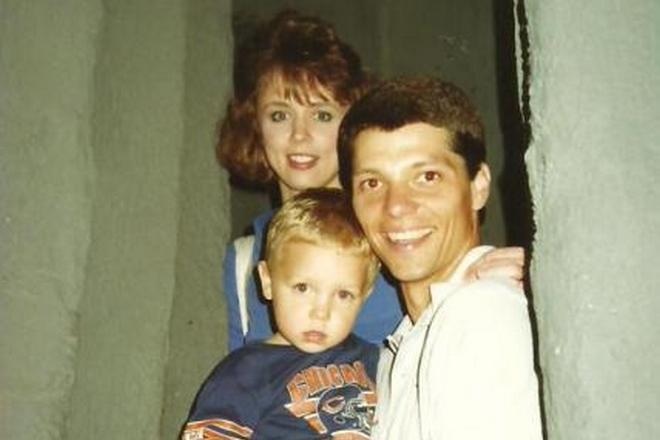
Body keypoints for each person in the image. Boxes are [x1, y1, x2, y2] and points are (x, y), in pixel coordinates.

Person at [218, 9, 525, 351]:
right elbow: (241, 376)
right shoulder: (245, 261)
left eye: (322, 115)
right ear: (254, 124)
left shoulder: (392, 233)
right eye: (279, 115)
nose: (299, 135)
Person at [337, 77, 542, 439]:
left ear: (478, 186)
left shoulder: (482, 315)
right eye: (372, 183)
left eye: (427, 177)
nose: (396, 206)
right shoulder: (402, 344)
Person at [182, 188, 380, 439]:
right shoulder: (246, 371)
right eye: (302, 288)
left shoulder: (374, 360)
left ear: (364, 295)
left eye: (343, 294)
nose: (321, 313)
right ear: (267, 282)